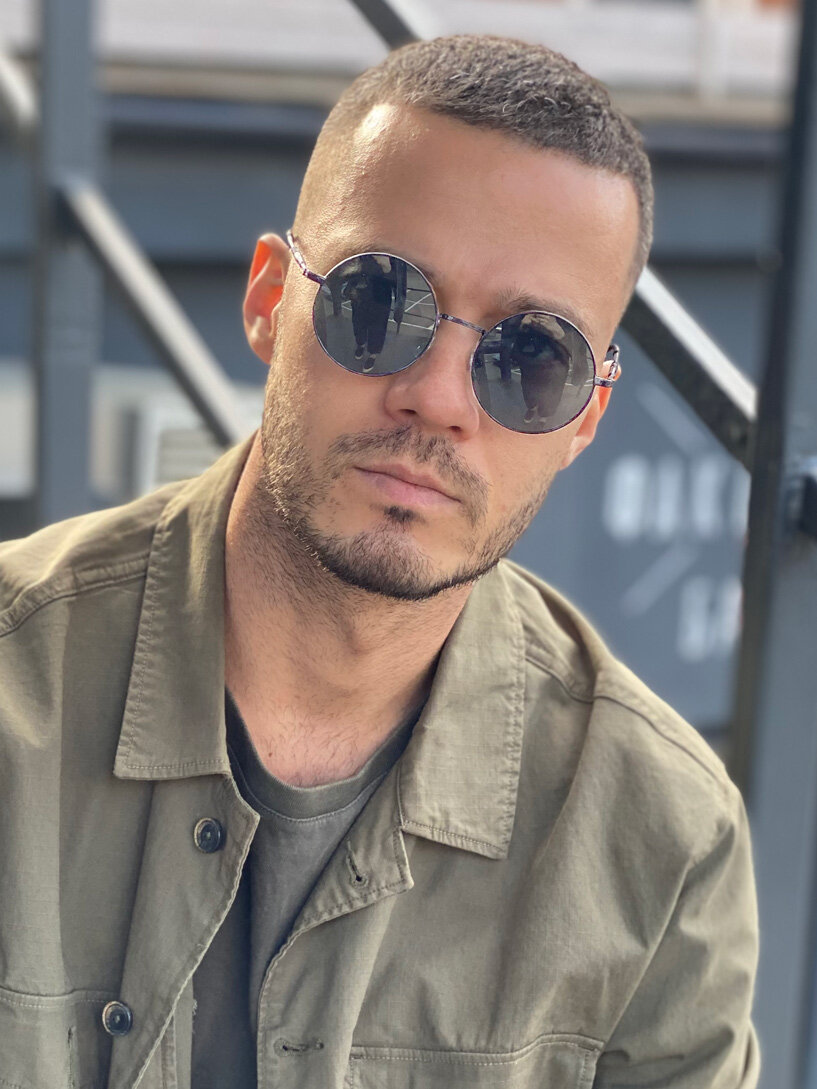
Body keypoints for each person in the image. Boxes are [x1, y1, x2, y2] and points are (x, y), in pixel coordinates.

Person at [0, 34, 759, 1089]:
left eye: (532, 356)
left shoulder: (659, 836)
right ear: (270, 298)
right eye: (380, 303)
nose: (437, 399)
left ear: (585, 417)